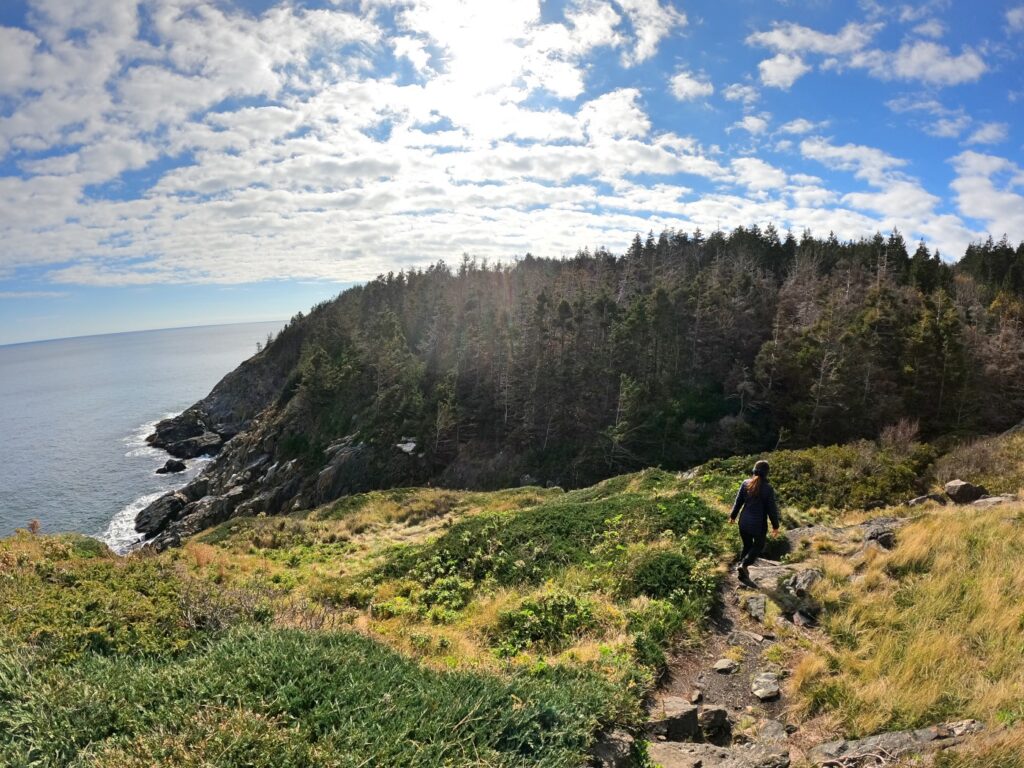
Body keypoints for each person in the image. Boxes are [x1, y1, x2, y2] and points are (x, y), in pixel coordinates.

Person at [729, 459, 780, 581]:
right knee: (758, 545)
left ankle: (741, 570)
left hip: (743, 523)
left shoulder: (745, 483)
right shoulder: (768, 489)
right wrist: (775, 526)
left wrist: (733, 516)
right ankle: (743, 564)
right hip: (758, 525)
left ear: (754, 470)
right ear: (766, 473)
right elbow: (771, 510)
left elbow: (738, 502)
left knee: (747, 545)